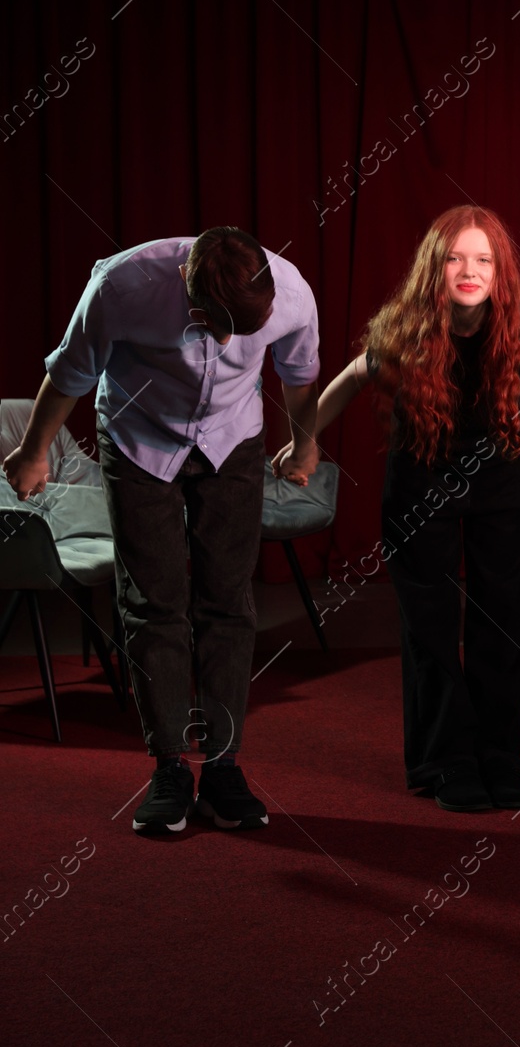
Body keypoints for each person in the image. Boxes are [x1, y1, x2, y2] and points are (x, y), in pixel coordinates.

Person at [3, 228, 322, 834]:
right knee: (153, 601)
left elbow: (300, 374)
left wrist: (305, 445)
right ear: (185, 282)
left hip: (233, 437)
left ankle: (223, 766)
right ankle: (170, 765)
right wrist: (32, 450)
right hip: (139, 434)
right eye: (213, 323)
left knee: (228, 600)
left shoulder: (292, 292)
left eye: (242, 330)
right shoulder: (121, 285)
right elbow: (70, 374)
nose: (226, 340)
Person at [283, 205, 520, 812]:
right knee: (431, 628)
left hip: (501, 485)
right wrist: (305, 441)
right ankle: (446, 762)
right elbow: (346, 381)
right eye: (455, 258)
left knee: (505, 621)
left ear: (499, 270)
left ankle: (500, 758)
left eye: (483, 259)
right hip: (422, 488)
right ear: (434, 268)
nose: (469, 270)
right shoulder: (404, 326)